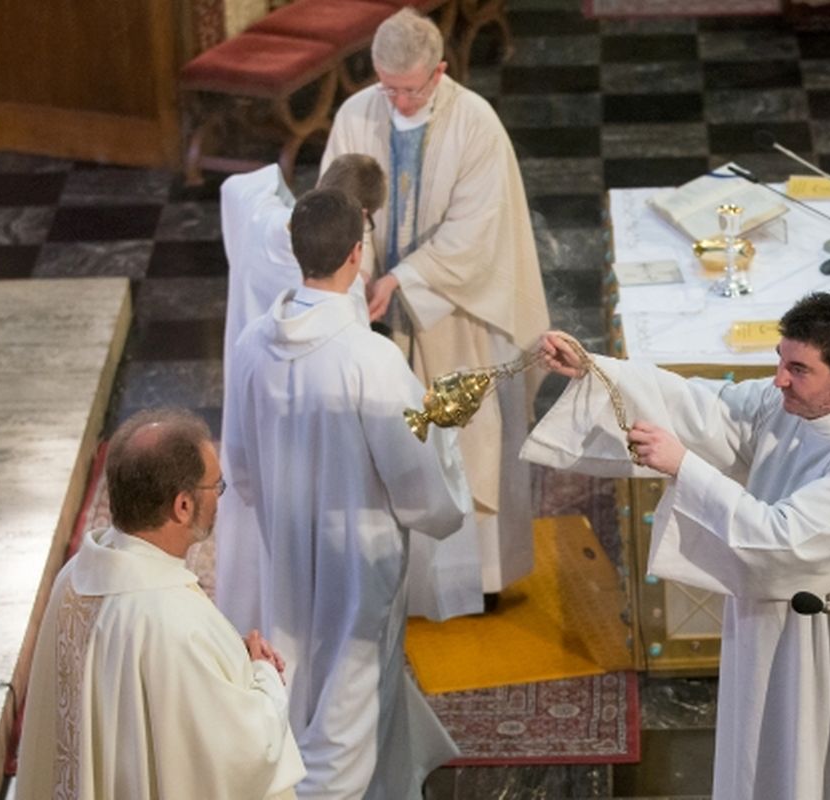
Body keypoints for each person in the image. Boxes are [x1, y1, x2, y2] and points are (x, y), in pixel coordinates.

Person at [524, 292, 830, 800]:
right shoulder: (791, 402)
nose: (781, 379)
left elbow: (786, 542)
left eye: (799, 369)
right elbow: (708, 409)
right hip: (775, 624)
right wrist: (596, 372)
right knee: (769, 759)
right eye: (780, 362)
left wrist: (684, 467)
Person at [224, 188, 471, 797]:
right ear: (358, 255)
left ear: (296, 249)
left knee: (302, 683)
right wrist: (444, 439)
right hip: (359, 562)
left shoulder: (253, 342)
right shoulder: (372, 359)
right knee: (348, 710)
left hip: (284, 545)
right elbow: (417, 488)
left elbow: (240, 466)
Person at [320, 7, 550, 613]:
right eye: (385, 86)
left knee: (465, 442)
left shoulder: (475, 123)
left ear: (441, 72)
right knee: (389, 449)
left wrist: (402, 278)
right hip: (379, 317)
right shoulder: (355, 114)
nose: (394, 101)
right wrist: (359, 272)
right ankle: (399, 585)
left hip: (456, 311)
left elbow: (478, 231)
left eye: (409, 88)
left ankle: (477, 581)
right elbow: (339, 207)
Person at [16, 408, 305, 799]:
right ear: (182, 506)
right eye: (216, 488)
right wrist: (263, 673)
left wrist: (222, 661)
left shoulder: (75, 577)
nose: (219, 501)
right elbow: (245, 751)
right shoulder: (174, 623)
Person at [215, 154, 386, 633]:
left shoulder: (259, 223)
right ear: (360, 228)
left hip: (252, 391)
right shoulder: (343, 292)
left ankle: (242, 631)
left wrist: (286, 198)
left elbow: (237, 187)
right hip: (306, 432)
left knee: (250, 519)